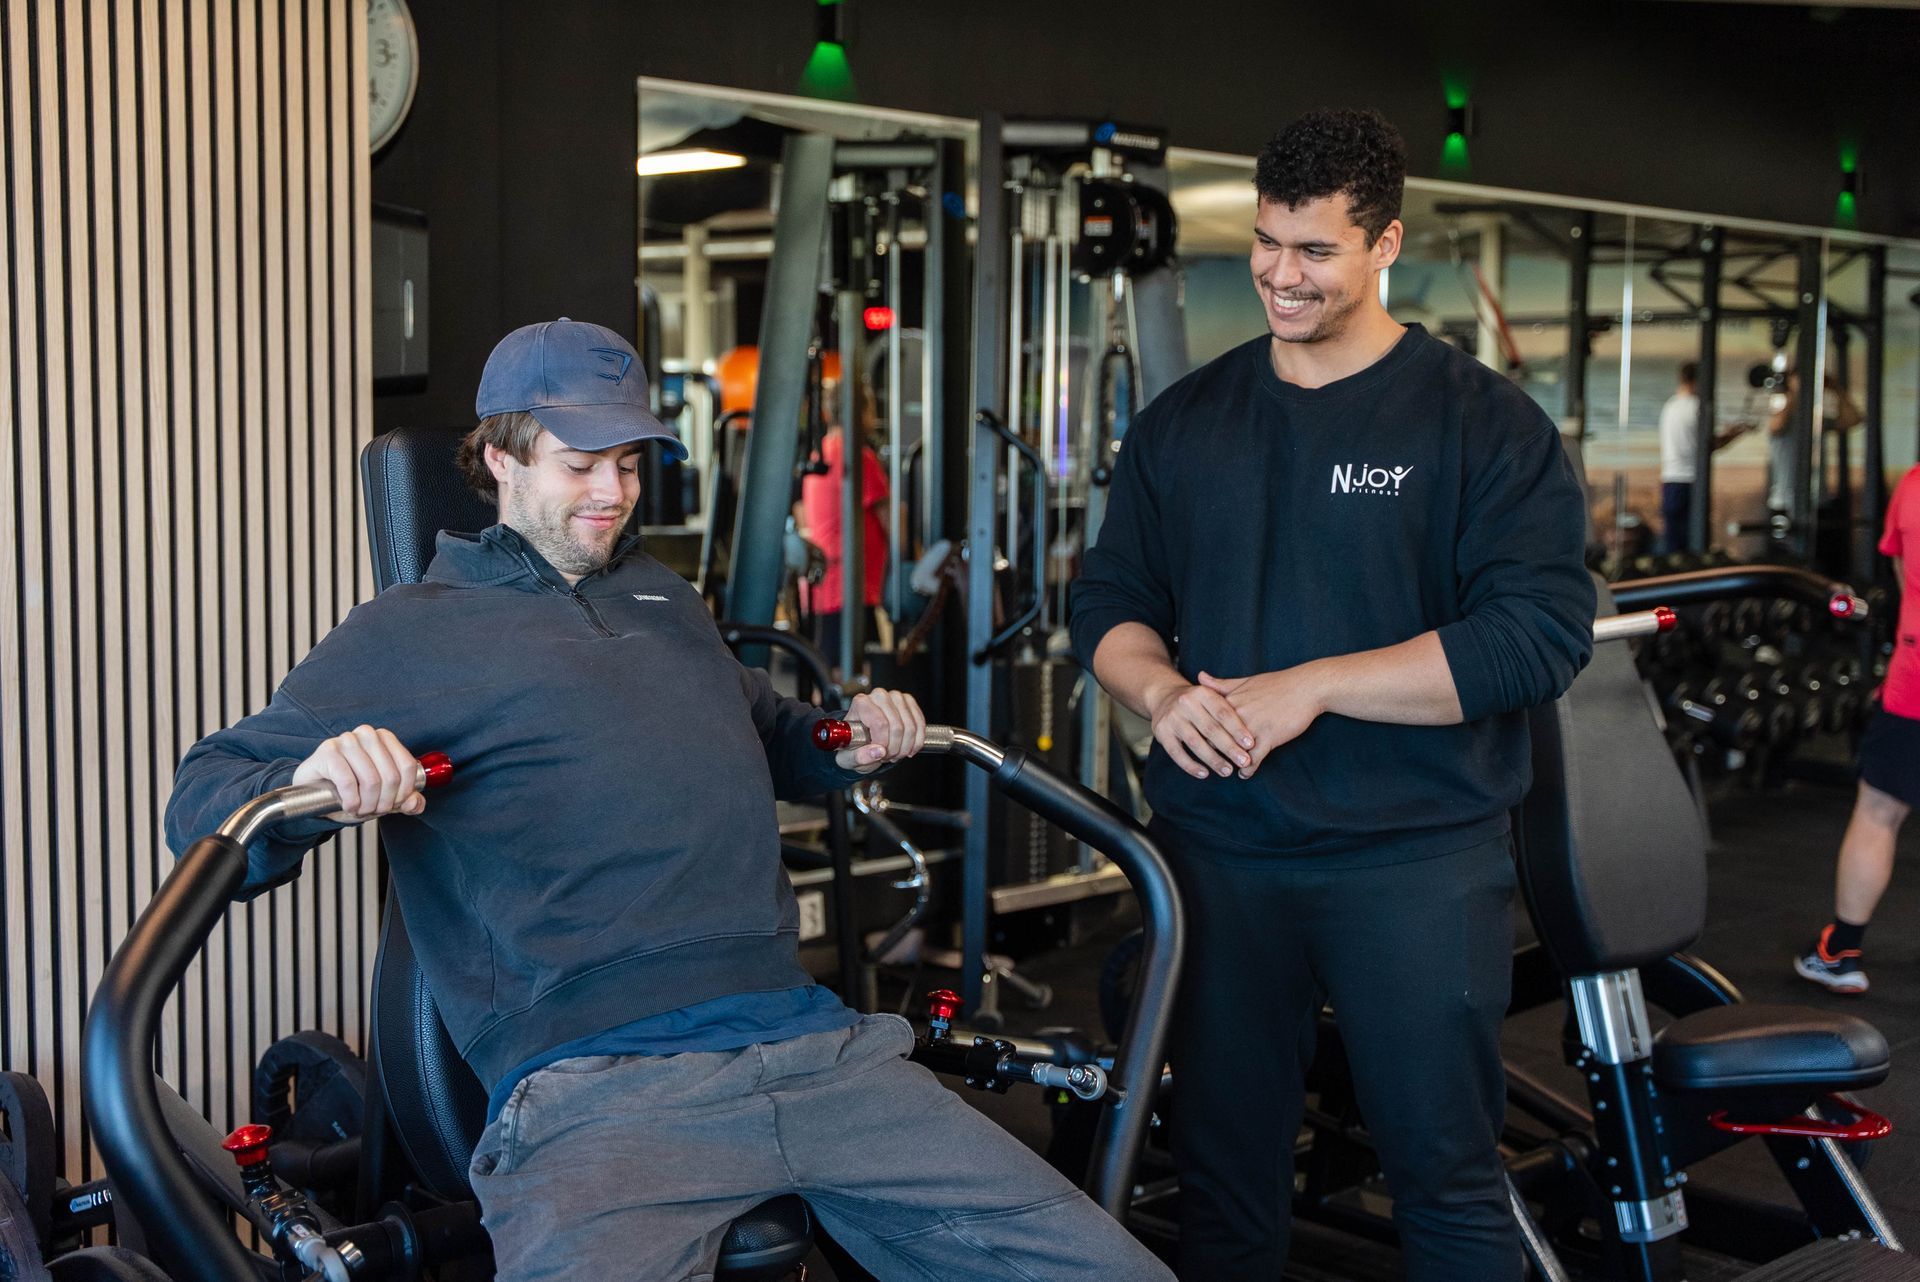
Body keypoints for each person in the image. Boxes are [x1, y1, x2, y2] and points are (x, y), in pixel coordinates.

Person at [166, 318, 1172, 1282]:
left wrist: (848, 737)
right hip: (603, 1091)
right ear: (502, 462)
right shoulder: (411, 630)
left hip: (816, 1050)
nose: (614, 493)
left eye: (631, 464)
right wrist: (320, 783)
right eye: (581, 463)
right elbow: (207, 791)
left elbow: (771, 728)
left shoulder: (665, 599)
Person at [1069, 110, 1594, 1282]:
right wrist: (1157, 690)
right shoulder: (1186, 424)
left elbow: (1538, 640)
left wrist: (1312, 689)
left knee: (1446, 1180)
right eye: (1266, 242)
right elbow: (1105, 600)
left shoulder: (1480, 423)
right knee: (1222, 1178)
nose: (1280, 273)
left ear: (1386, 243)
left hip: (1411, 861)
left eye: (1314, 250)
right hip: (1218, 859)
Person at [1795, 461, 1920, 995]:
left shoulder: (1914, 486)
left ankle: (1840, 952)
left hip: (1915, 681)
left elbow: (1901, 576)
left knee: (1878, 812)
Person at [796, 375, 889, 670]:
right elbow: (892, 524)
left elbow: (804, 512)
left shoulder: (820, 453)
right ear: (860, 411)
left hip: (828, 584)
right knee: (856, 678)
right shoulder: (859, 458)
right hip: (848, 586)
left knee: (831, 676)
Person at [1657, 361, 1750, 555]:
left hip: (1670, 479)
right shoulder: (1698, 408)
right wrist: (1735, 433)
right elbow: (1709, 445)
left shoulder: (1669, 407)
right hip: (1692, 482)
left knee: (1673, 542)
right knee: (1696, 542)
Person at [1767, 369, 1862, 520]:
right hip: (1785, 503)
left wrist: (1836, 388)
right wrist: (1795, 391)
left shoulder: (1816, 419)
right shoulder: (1782, 417)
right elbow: (1776, 426)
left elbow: (1852, 419)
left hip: (1818, 501)